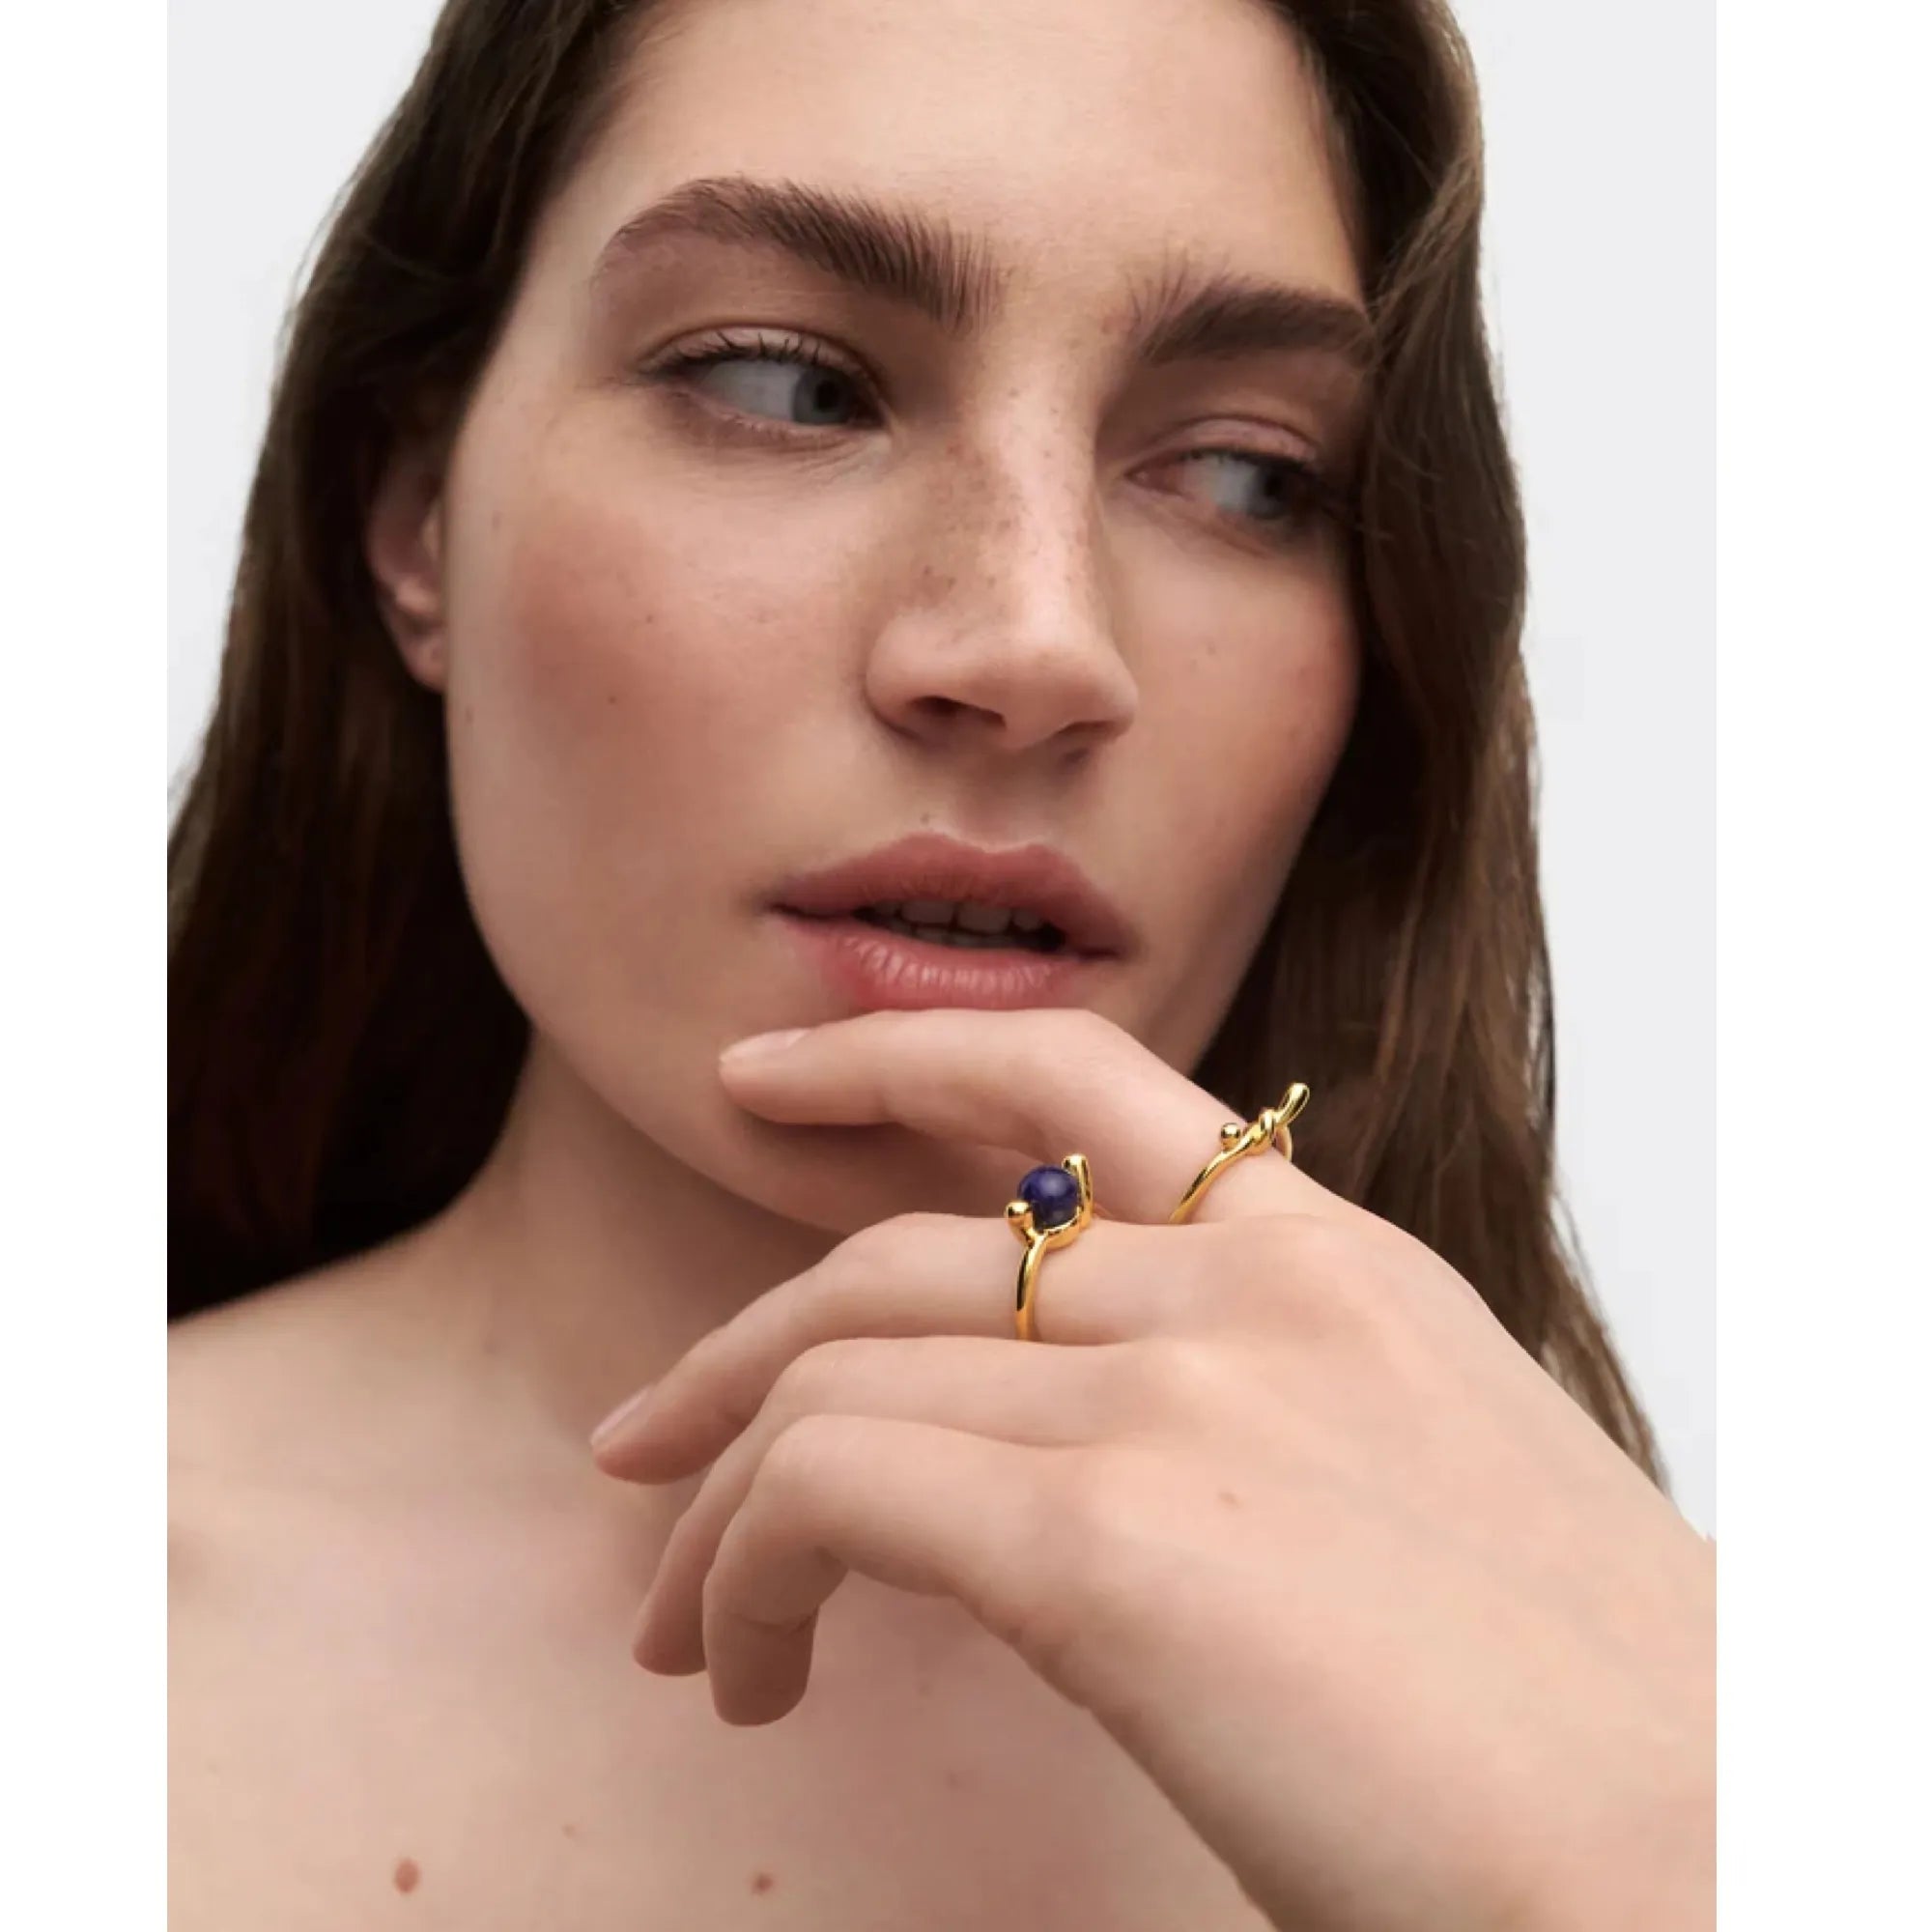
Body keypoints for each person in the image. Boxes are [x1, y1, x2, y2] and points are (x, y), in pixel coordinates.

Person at [167, 0, 1716, 1924]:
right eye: (790, 384)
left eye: (1250, 475)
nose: (1034, 642)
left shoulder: (1639, 1720)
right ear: (414, 519)